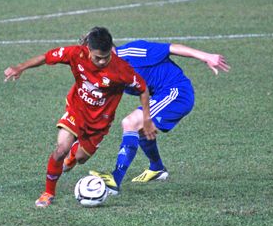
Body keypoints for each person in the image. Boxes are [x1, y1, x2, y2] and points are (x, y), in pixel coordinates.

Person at [4, 27, 155, 207]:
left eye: (105, 57)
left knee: (81, 158)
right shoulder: (76, 54)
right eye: (97, 57)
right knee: (61, 150)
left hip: (100, 122)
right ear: (88, 49)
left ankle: (73, 155)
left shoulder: (121, 69)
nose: (101, 61)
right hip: (76, 110)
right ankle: (48, 193)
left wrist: (146, 118)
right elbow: (46, 57)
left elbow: (143, 88)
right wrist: (20, 67)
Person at [88, 40, 230, 194]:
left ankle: (115, 180)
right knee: (141, 130)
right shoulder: (107, 71)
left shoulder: (133, 51)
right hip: (161, 95)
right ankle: (157, 169)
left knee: (130, 123)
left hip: (176, 92)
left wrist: (206, 56)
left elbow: (172, 48)